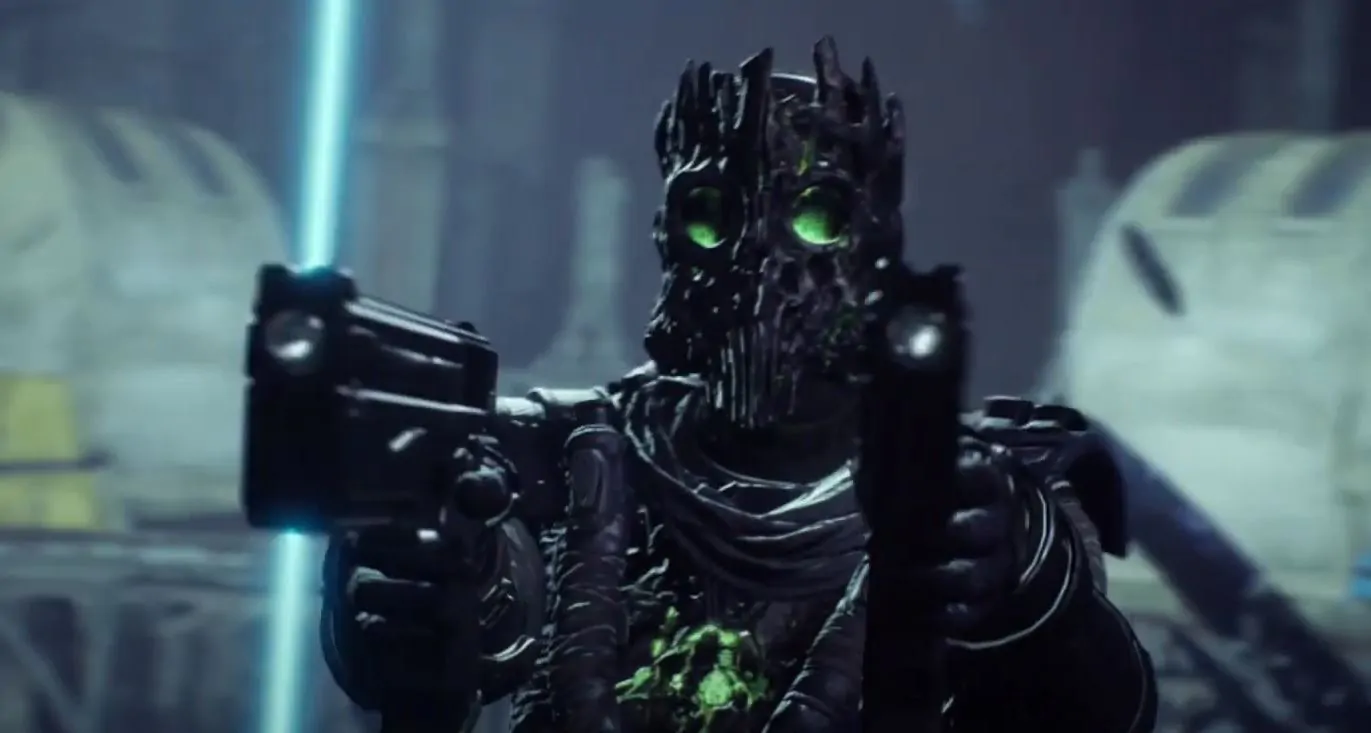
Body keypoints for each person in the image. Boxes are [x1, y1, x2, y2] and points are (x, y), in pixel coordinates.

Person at [319, 37, 1157, 733]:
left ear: (875, 246)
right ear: (665, 231)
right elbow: (451, 632)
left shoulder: (978, 499)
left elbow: (1104, 711)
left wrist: (1027, 586)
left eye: (813, 216)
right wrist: (421, 587)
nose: (760, 259)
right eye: (713, 213)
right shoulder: (560, 457)